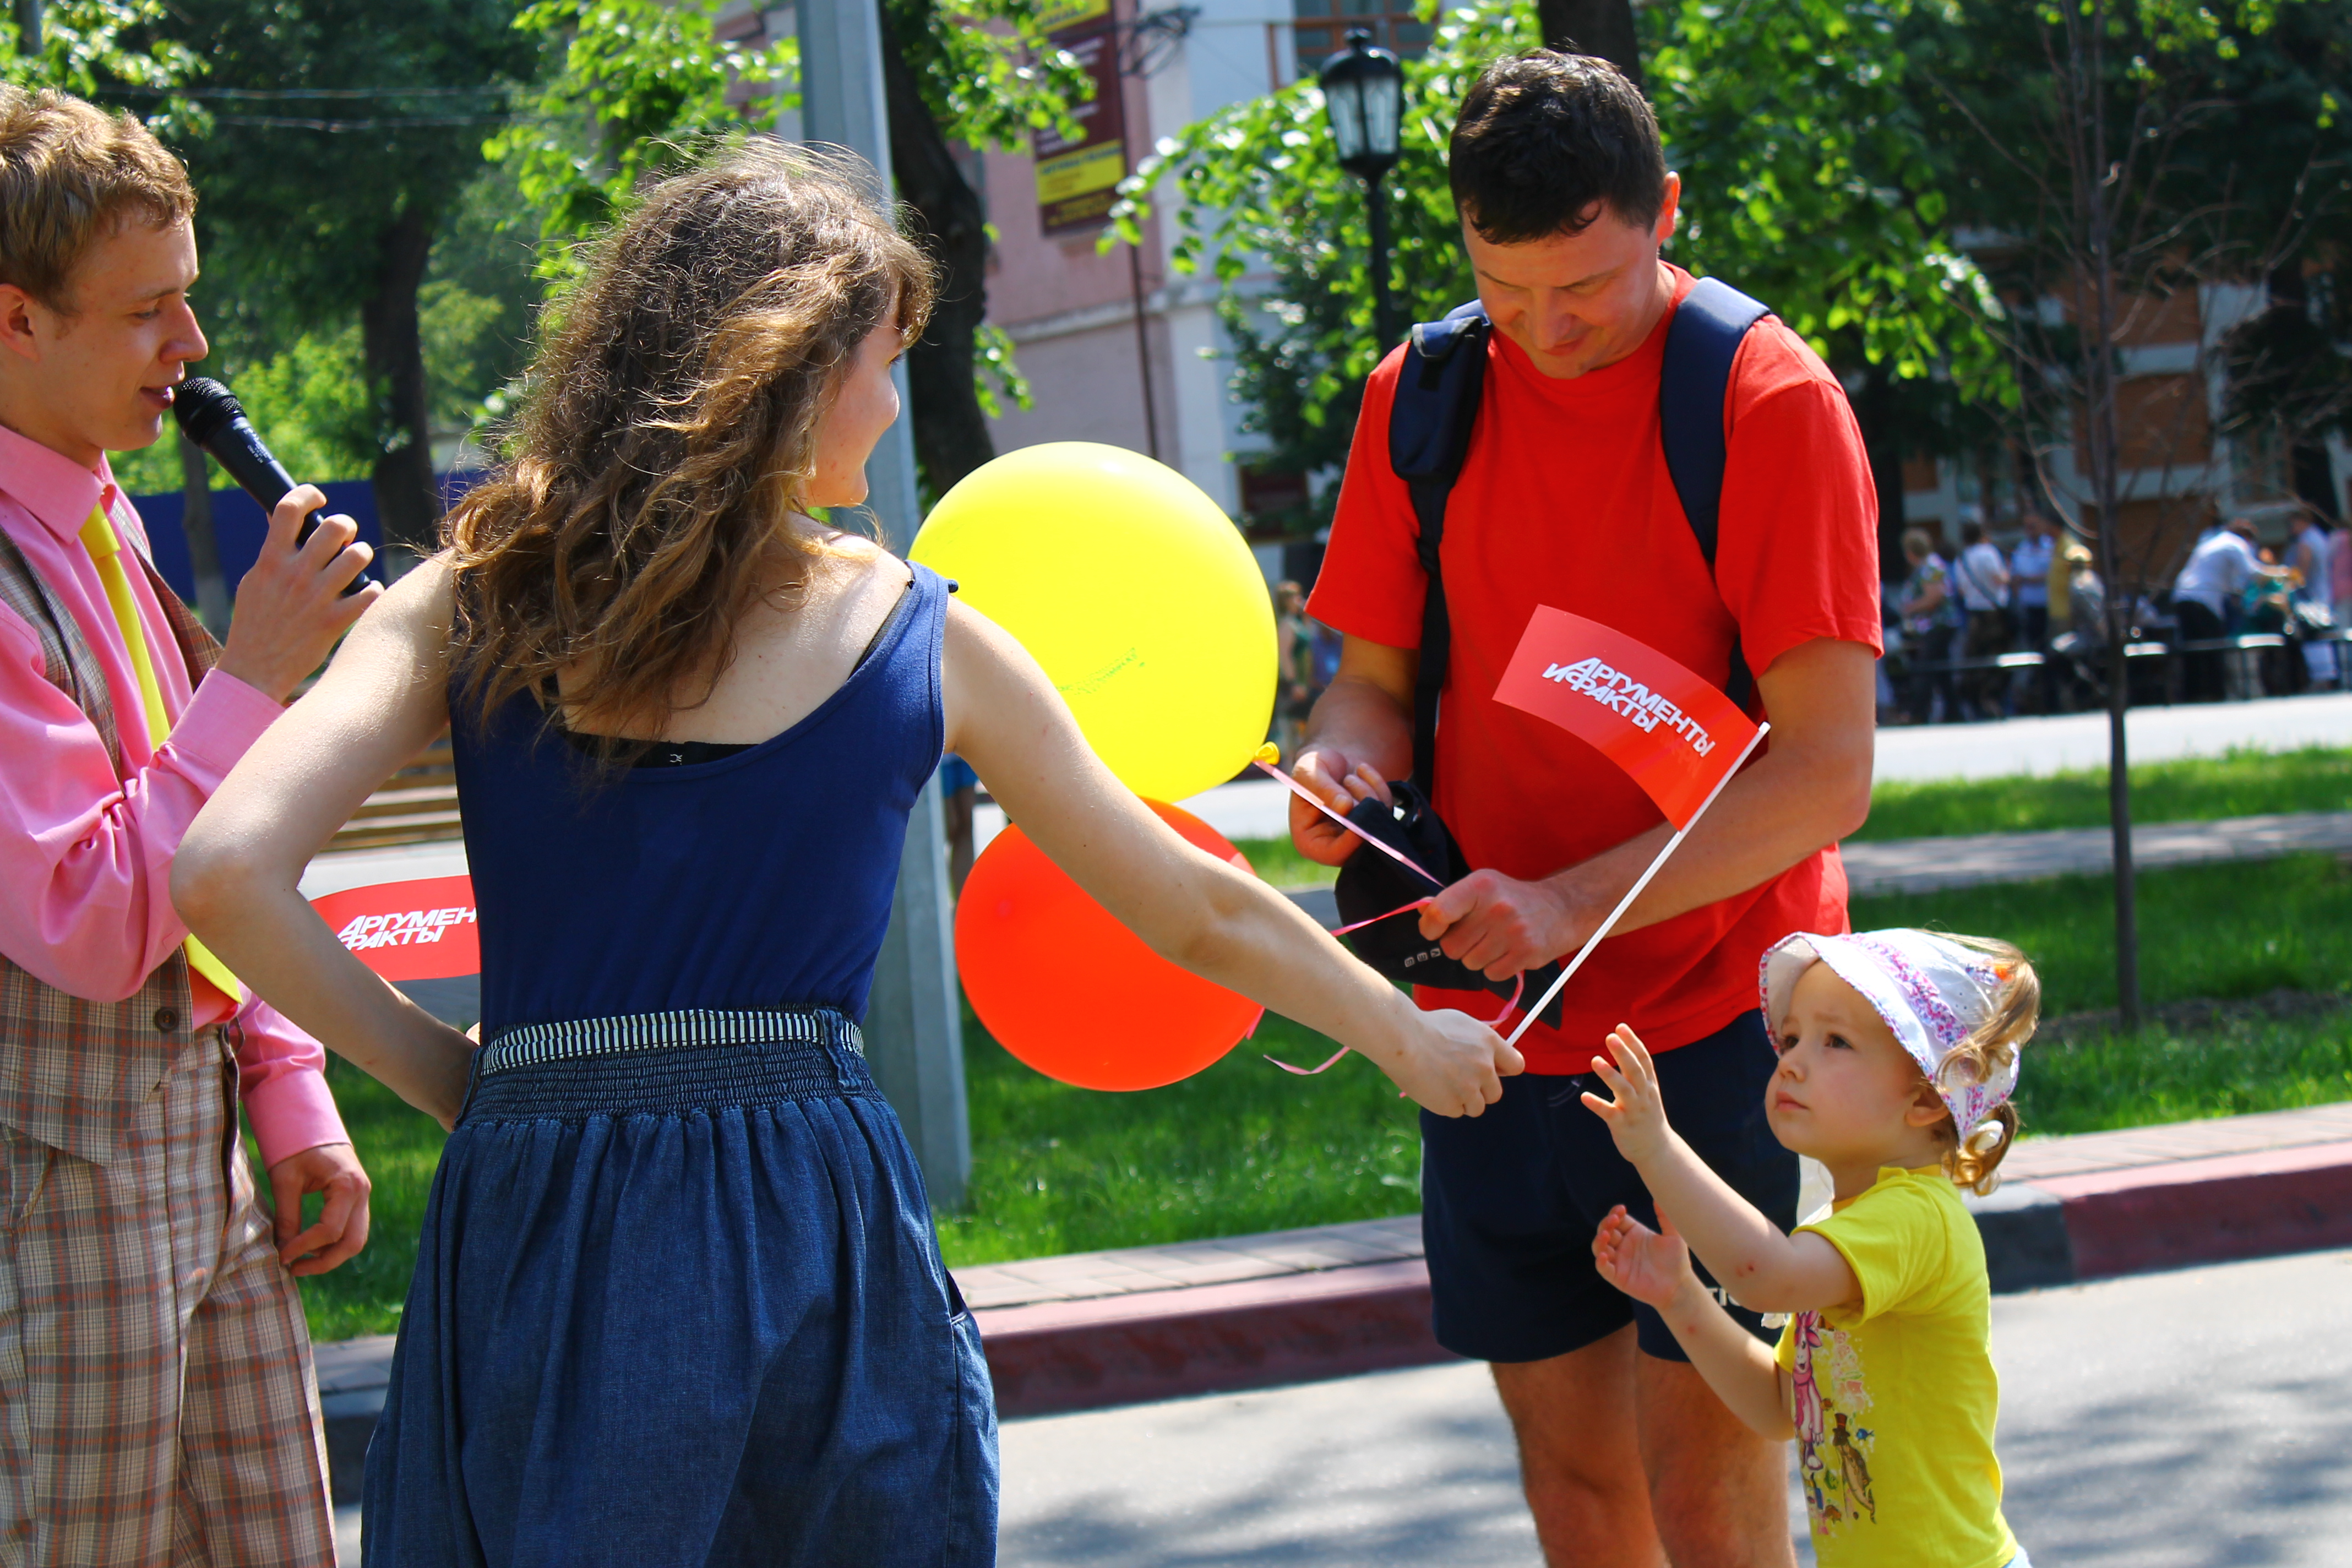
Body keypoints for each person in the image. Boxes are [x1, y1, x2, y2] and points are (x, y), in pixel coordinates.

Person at [172, 142, 1521, 1567]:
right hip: (803, 1212)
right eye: (884, 361)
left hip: (534, 1216)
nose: (888, 401)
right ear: (796, 371)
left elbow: (223, 872)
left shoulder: (471, 598)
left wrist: (464, 1079)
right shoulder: (919, 638)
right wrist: (1405, 1035)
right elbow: (1193, 908)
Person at [1289, 52, 1880, 1567]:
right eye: (1503, 290)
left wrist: (1566, 903)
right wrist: (1341, 764)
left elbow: (1827, 772)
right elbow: (1372, 682)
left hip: (1712, 1021)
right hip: (1489, 1025)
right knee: (1575, 1492)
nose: (1546, 333)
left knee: (1709, 1497)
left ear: (1664, 211)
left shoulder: (1765, 401)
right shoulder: (1421, 395)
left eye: (1587, 290)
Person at [0, 86, 379, 1563]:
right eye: (148, 310)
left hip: (200, 1154)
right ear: (16, 321)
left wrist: (286, 1085)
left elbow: (205, 852)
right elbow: (93, 915)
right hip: (52, 1195)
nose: (194, 344)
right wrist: (258, 674)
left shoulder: (103, 519)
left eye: (190, 296)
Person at [1585, 927, 2039, 1568]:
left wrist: (1656, 1149)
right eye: (1793, 1037)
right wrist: (1681, 1296)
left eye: (1836, 1042)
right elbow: (1781, 1405)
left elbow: (1764, 1277)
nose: (1792, 1061)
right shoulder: (1840, 1229)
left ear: (1924, 1099)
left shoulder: (1916, 1217)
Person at [2171, 517, 2272, 701]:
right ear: (2247, 538)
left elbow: (2231, 583)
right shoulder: (2236, 544)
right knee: (2214, 649)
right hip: (2204, 601)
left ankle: (2192, 696)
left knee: (2192, 650)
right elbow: (2251, 572)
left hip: (2182, 597)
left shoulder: (2211, 543)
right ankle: (2216, 694)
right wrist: (2280, 574)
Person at [1897, 527, 1960, 725]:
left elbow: (1934, 597)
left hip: (1938, 625)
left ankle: (1918, 713)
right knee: (1942, 671)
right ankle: (1954, 712)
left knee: (1924, 668)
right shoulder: (1930, 565)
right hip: (1937, 625)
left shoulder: (1930, 567)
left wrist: (1910, 608)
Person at [1950, 519, 2010, 718]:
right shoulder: (1988, 553)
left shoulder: (1961, 559)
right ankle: (1995, 701)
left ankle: (1978, 704)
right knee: (1998, 658)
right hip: (1994, 613)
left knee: (1977, 660)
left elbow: (1960, 590)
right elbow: (1999, 579)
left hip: (1974, 615)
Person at [2007, 513, 2056, 711]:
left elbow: (2051, 574)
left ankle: (2054, 699)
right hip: (2029, 610)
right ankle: (2038, 698)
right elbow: (2015, 578)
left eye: (2034, 525)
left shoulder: (2051, 547)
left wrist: (2028, 579)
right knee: (2035, 654)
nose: (2031, 530)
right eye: (2028, 526)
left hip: (2050, 608)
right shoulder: (2022, 550)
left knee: (2052, 653)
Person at [1272, 578, 1317, 761]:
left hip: (1304, 683)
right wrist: (1294, 683)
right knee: (1292, 732)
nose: (1299, 600)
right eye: (1294, 597)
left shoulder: (1297, 623)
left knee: (1303, 732)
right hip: (1294, 686)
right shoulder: (1286, 625)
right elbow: (1285, 656)